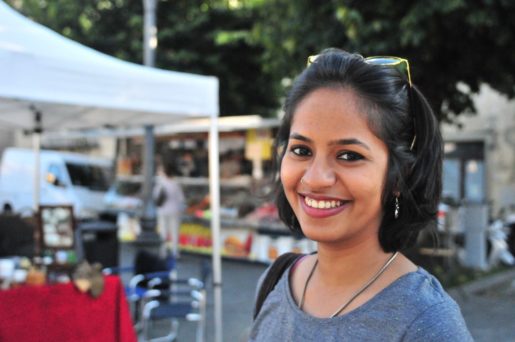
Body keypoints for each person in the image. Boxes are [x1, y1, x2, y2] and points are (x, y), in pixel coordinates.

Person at [250, 49, 472, 341]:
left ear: (399, 175)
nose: (315, 178)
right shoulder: (275, 281)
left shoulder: (427, 321)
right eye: (302, 150)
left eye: (348, 155)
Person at [154, 161, 185, 258]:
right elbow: (181, 199)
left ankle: (163, 252)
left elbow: (155, 196)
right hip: (174, 210)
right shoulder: (175, 184)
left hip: (162, 210)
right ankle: (175, 252)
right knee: (174, 232)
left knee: (163, 231)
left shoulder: (160, 184)